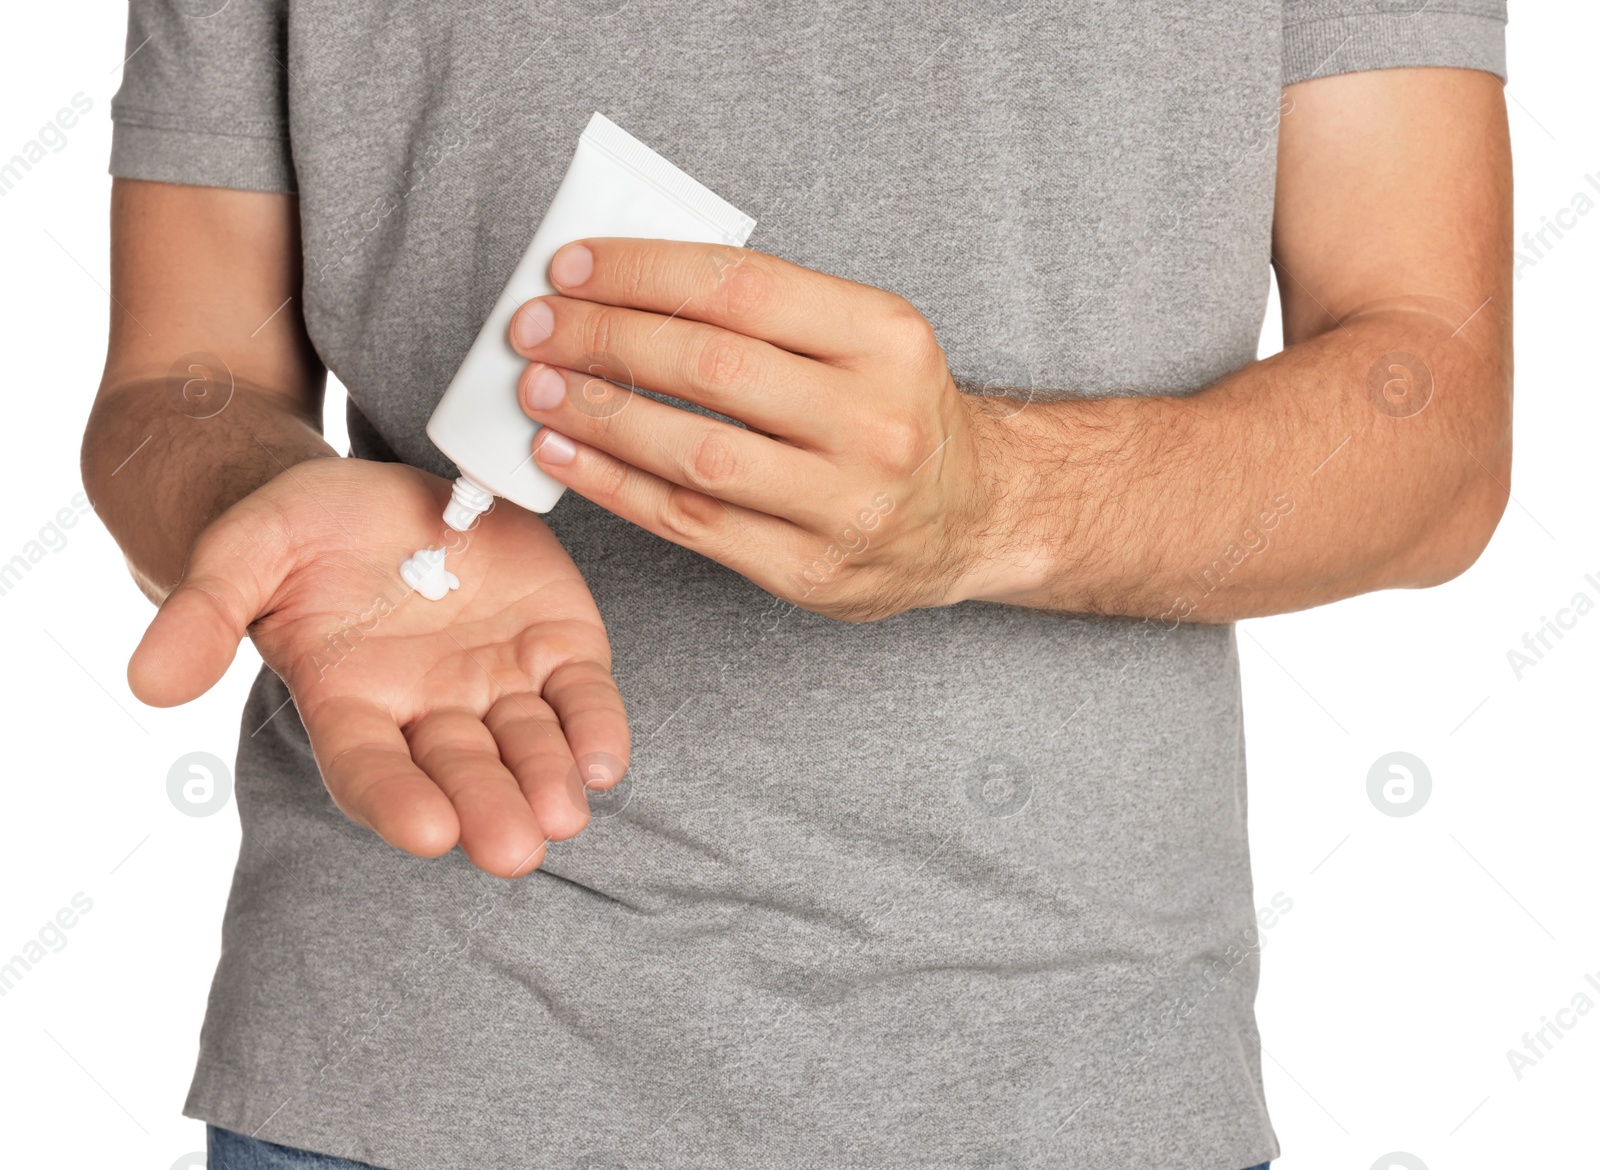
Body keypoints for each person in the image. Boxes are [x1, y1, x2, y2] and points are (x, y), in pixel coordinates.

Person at [83, 0, 1512, 1166]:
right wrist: (246, 495)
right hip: (402, 1063)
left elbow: (1435, 424)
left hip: (1065, 1083)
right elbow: (179, 371)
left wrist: (992, 500)